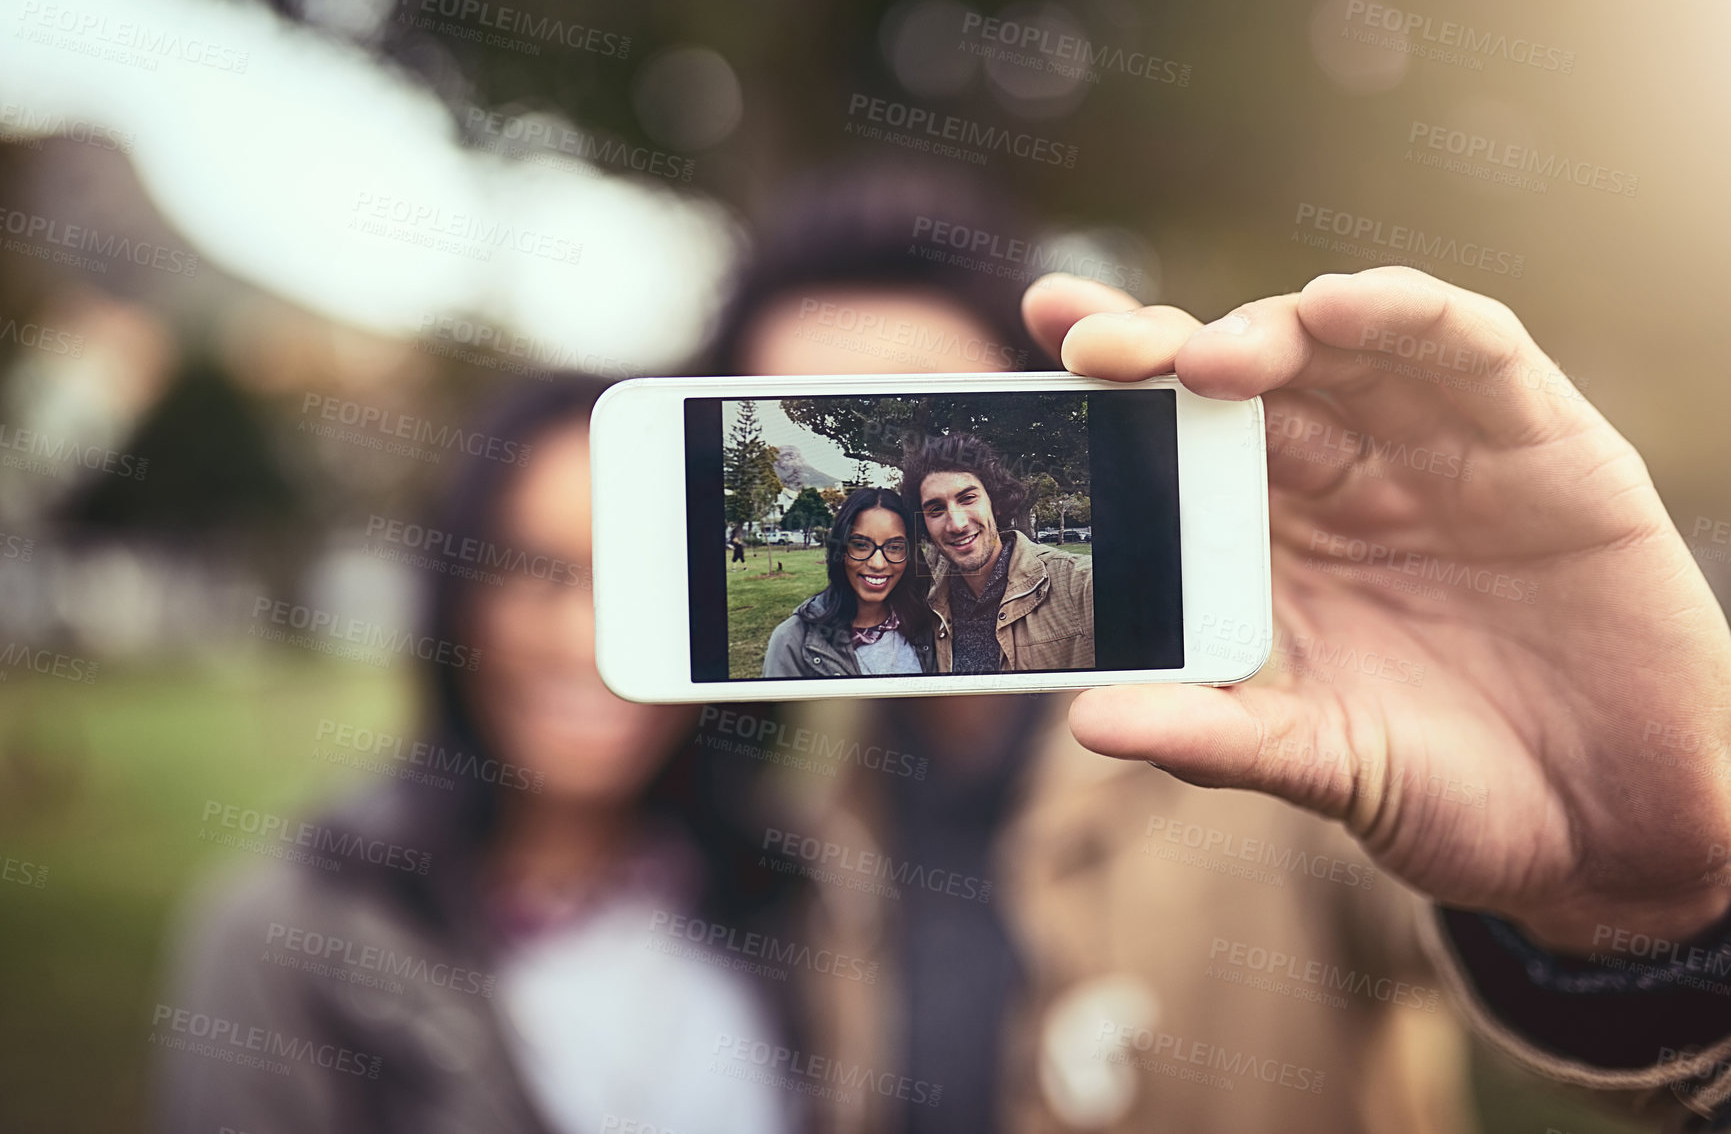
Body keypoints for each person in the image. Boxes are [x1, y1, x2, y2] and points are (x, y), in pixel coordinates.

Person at [714, 163, 1731, 1132]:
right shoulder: (807, 816)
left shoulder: (1281, 735)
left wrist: (1652, 908)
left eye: (925, 427)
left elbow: (1656, 1066)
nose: (897, 494)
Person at [155, 375, 805, 1134]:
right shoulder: (285, 936)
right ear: (457, 599)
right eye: (537, 569)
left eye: (640, 571)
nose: (584, 639)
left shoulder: (793, 895)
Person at [899, 431, 1093, 674]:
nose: (957, 524)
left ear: (996, 503)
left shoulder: (1078, 585)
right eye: (936, 509)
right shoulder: (927, 602)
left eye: (968, 498)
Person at [761, 486, 936, 678]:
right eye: (861, 545)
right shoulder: (792, 640)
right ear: (841, 549)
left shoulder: (927, 625)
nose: (878, 563)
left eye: (894, 547)